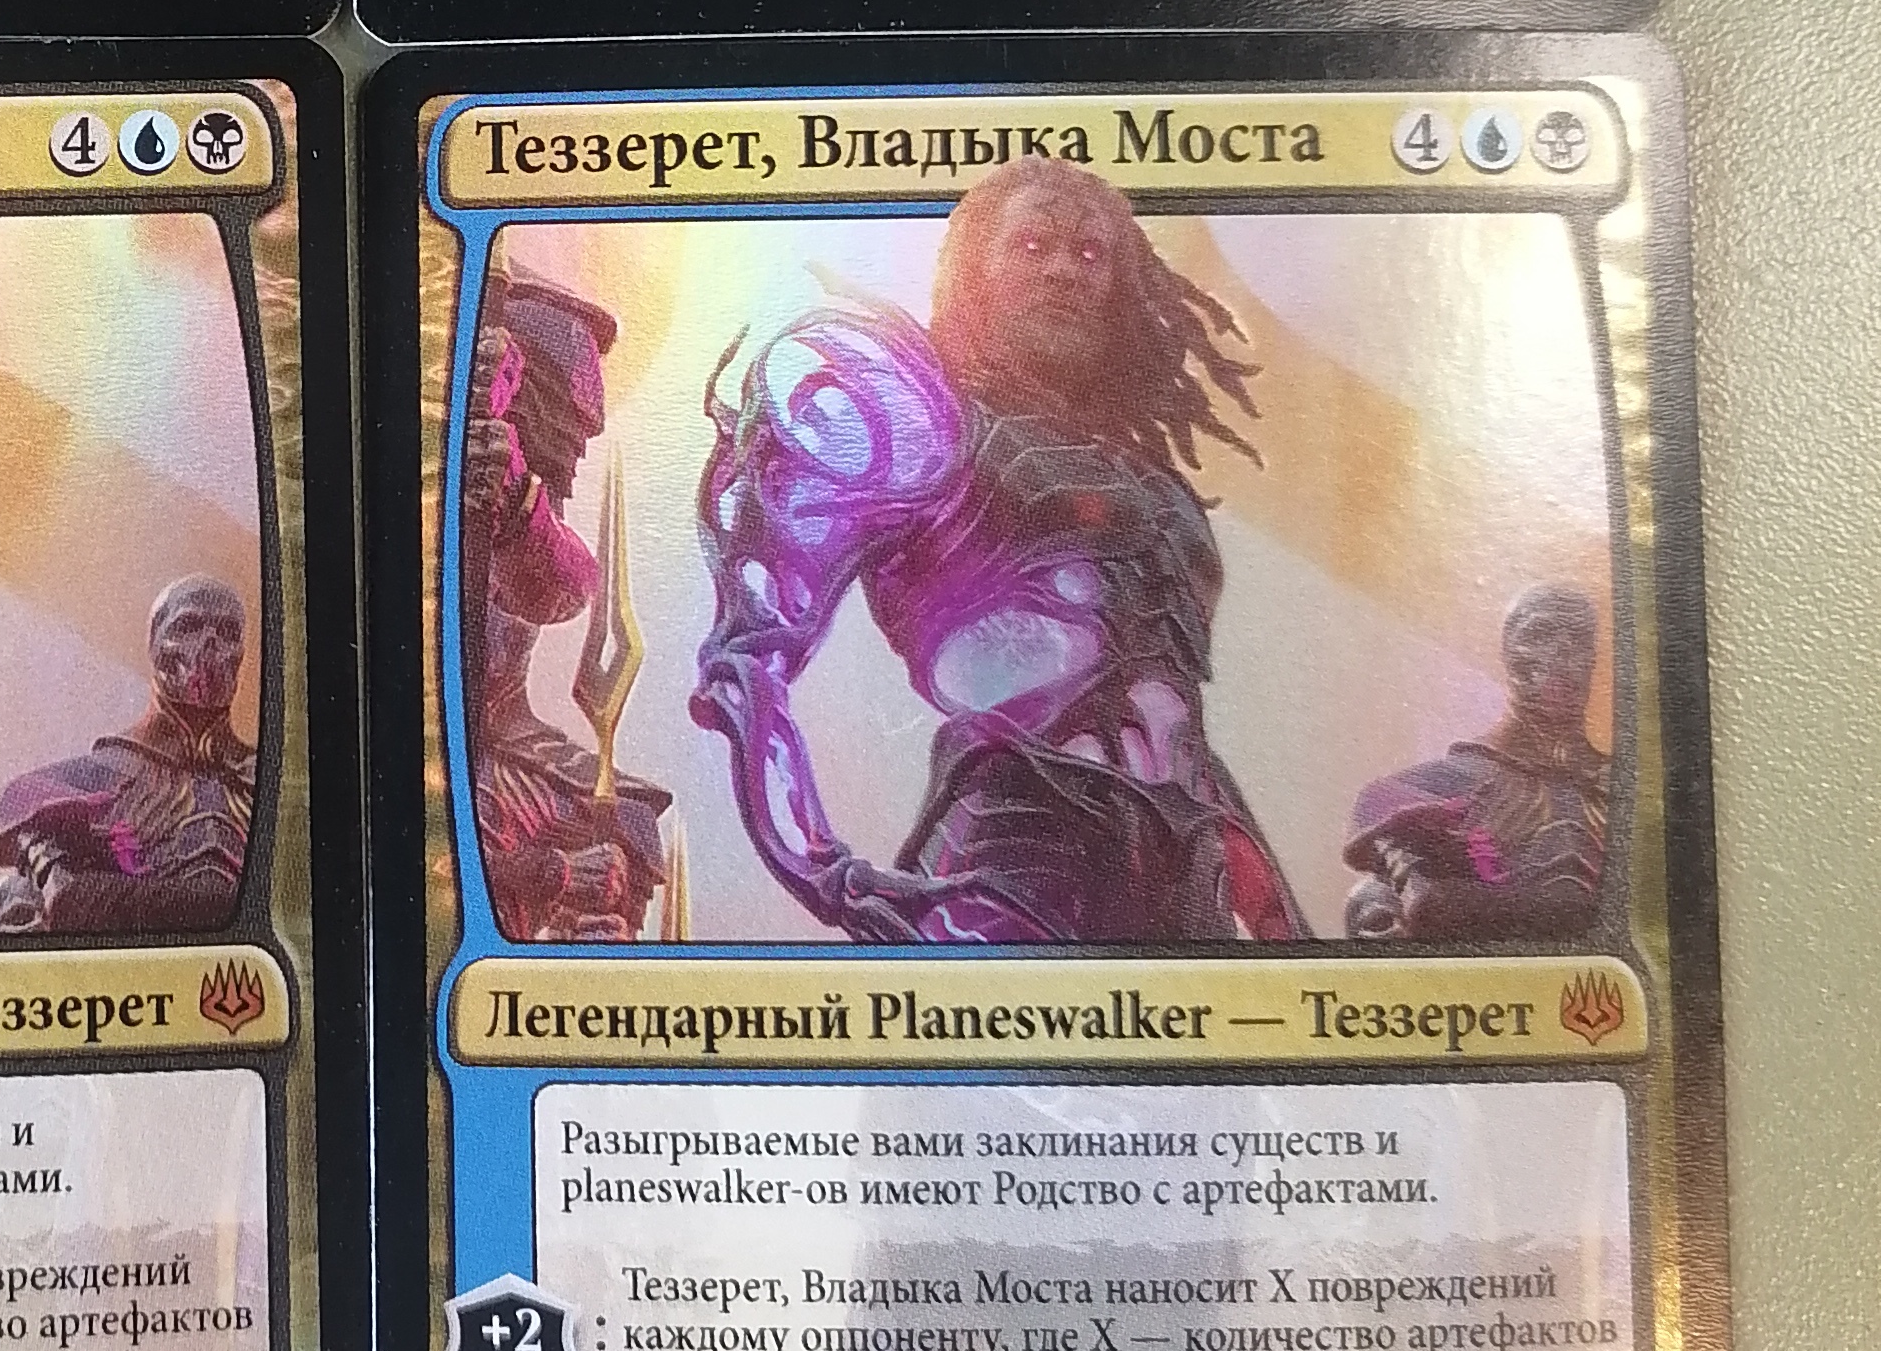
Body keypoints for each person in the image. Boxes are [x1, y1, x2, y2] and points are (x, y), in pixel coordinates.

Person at [693, 162, 1296, 945]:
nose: (1064, 271)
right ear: (975, 271)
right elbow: (747, 669)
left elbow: (1173, 726)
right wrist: (830, 874)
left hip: (1189, 893)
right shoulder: (917, 421)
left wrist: (1288, 937)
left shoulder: (1154, 486)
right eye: (1033, 244)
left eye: (1089, 253)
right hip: (1015, 868)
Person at [461, 263, 670, 939]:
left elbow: (563, 581)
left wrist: (519, 504)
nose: (584, 426)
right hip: (430, 736)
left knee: (626, 816)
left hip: (507, 731)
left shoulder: (525, 484)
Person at [0, 576, 257, 934]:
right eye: (187, 626)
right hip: (130, 967)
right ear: (155, 643)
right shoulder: (74, 784)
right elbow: (68, 901)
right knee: (13, 897)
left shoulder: (264, 783)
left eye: (227, 632)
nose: (209, 643)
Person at [1342, 583, 1610, 941]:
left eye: (1577, 638)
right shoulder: (1426, 788)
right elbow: (1414, 902)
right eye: (1540, 633)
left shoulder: (1623, 790)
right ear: (1508, 650)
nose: (1561, 651)